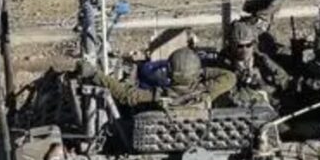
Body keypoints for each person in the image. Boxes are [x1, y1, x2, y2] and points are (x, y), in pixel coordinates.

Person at [88, 46, 235, 112]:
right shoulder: (207, 93)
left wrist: (94, 74)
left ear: (169, 71)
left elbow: (125, 95)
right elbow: (230, 77)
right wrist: (201, 72)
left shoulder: (157, 95)